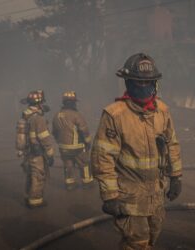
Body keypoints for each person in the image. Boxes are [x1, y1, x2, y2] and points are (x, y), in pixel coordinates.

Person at [91, 53, 182, 250]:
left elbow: (172, 144)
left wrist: (175, 177)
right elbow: (103, 158)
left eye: (147, 82)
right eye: (137, 82)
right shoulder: (114, 114)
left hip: (156, 195)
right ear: (127, 83)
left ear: (155, 83)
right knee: (136, 244)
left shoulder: (162, 111)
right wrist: (110, 196)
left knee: (152, 238)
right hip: (129, 198)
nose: (142, 87)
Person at [16, 91, 54, 208]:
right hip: (37, 153)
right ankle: (36, 201)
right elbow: (44, 138)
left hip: (28, 152)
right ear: (38, 104)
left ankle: (28, 195)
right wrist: (50, 153)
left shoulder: (26, 117)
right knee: (38, 175)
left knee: (30, 174)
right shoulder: (38, 119)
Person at [52, 91, 93, 190]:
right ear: (74, 103)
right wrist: (88, 142)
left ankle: (70, 183)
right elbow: (84, 130)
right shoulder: (76, 115)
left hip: (63, 147)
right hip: (77, 146)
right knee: (85, 163)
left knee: (68, 165)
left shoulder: (57, 115)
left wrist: (59, 142)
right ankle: (87, 182)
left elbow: (54, 132)